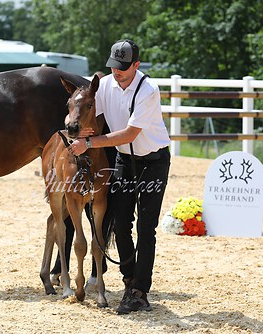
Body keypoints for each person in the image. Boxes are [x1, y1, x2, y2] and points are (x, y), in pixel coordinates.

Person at [67, 39, 171, 314]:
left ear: (136, 65)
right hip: (125, 159)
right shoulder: (106, 85)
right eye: (114, 67)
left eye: (123, 68)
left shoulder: (148, 91)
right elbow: (87, 109)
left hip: (154, 161)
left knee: (147, 227)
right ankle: (128, 282)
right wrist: (77, 128)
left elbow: (129, 134)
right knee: (121, 222)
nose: (117, 72)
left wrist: (89, 144)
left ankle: (139, 290)